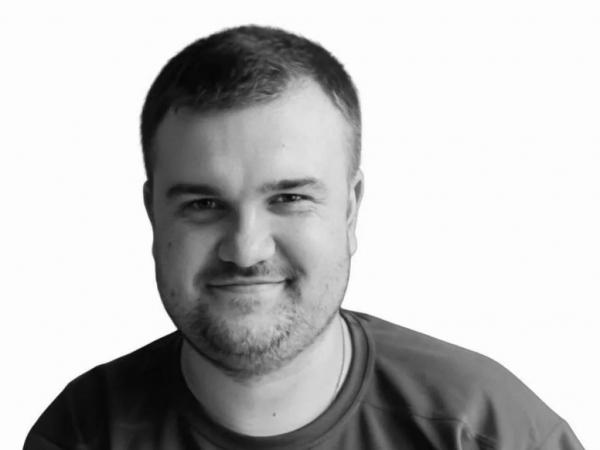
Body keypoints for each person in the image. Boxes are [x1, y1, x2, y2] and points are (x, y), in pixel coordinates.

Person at [24, 25, 584, 450]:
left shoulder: (490, 431)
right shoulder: (81, 431)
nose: (246, 249)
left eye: (289, 199)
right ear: (153, 215)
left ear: (350, 209)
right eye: (203, 205)